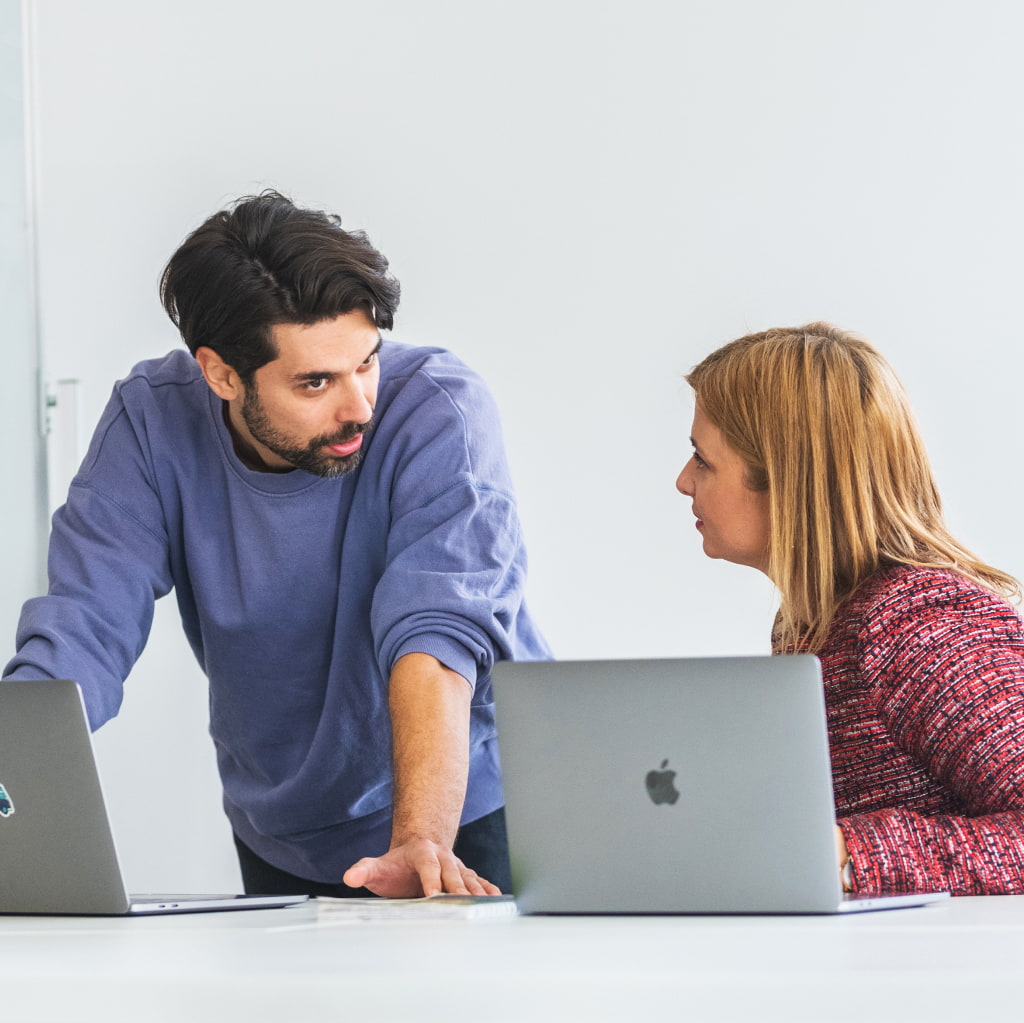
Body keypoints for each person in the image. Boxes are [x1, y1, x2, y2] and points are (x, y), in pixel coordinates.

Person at [3, 190, 551, 898]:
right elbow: (83, 629)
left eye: (366, 362)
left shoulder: (437, 409)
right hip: (285, 827)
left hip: (469, 810)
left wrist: (419, 839)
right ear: (222, 374)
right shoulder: (152, 422)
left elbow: (436, 638)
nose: (358, 406)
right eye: (315, 382)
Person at [676, 321, 1024, 896]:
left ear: (785, 478)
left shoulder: (921, 624)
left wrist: (852, 853)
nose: (684, 481)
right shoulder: (812, 625)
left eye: (703, 460)